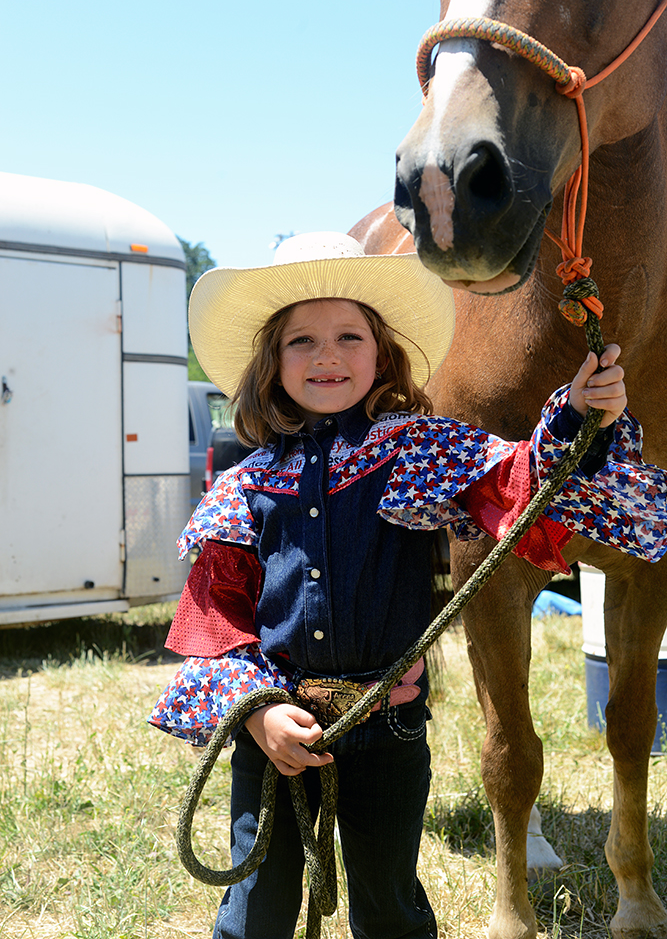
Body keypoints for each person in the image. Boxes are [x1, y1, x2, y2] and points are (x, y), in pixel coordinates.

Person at [149, 232, 667, 939]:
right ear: (269, 364)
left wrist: (575, 414)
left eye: (347, 336)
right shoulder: (240, 490)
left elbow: (517, 479)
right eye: (301, 341)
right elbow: (216, 620)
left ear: (381, 354)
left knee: (388, 901)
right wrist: (257, 712)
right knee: (254, 909)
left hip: (386, 731)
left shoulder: (415, 453)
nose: (326, 355)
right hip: (272, 733)